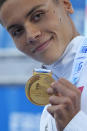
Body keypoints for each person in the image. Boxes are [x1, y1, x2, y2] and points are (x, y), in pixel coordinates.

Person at [0, 0, 87, 131]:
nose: (31, 35)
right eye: (17, 31)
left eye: (38, 15)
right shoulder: (48, 113)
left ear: (66, 4)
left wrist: (74, 124)